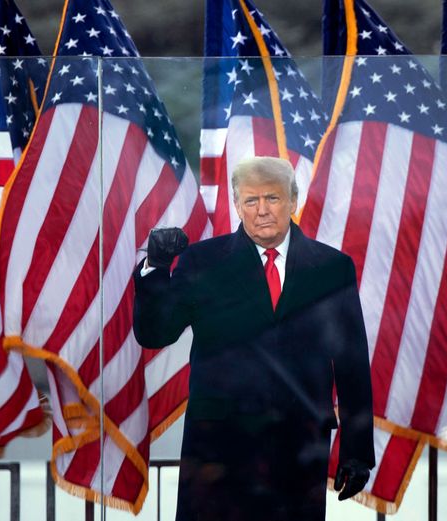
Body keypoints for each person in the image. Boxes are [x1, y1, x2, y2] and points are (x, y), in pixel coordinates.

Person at [133, 156, 375, 521]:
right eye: (251, 200)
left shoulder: (332, 268)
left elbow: (352, 364)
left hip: (298, 452)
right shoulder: (203, 262)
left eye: (272, 198)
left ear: (293, 201)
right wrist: (156, 269)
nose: (262, 210)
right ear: (237, 205)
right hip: (217, 454)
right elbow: (155, 333)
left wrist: (357, 452)